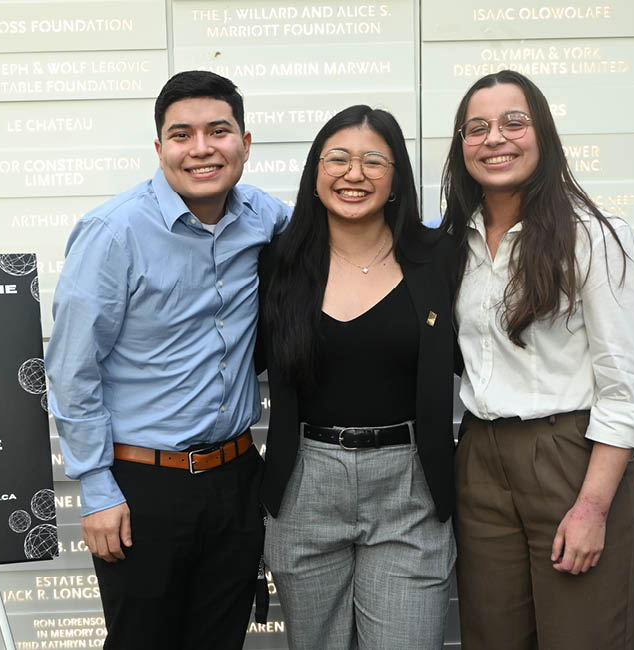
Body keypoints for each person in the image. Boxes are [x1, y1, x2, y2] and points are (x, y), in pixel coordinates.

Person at [45, 70, 291, 650]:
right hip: (141, 489)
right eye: (182, 135)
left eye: (218, 131)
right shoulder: (114, 232)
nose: (201, 149)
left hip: (236, 482)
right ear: (160, 149)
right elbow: (72, 369)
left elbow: (352, 230)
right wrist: (98, 489)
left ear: (246, 143)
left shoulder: (267, 219)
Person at [441, 70, 634, 650]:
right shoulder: (452, 242)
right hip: (480, 458)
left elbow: (626, 388)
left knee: (585, 637)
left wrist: (592, 507)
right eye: (476, 127)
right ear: (461, 146)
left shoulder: (595, 237)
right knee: (492, 638)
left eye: (514, 122)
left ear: (544, 134)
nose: (495, 139)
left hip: (572, 458)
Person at [257, 105, 458, 650]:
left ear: (396, 180)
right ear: (315, 172)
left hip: (409, 486)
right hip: (305, 483)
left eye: (374, 161)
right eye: (338, 159)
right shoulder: (277, 262)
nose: (354, 174)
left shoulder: (439, 257)